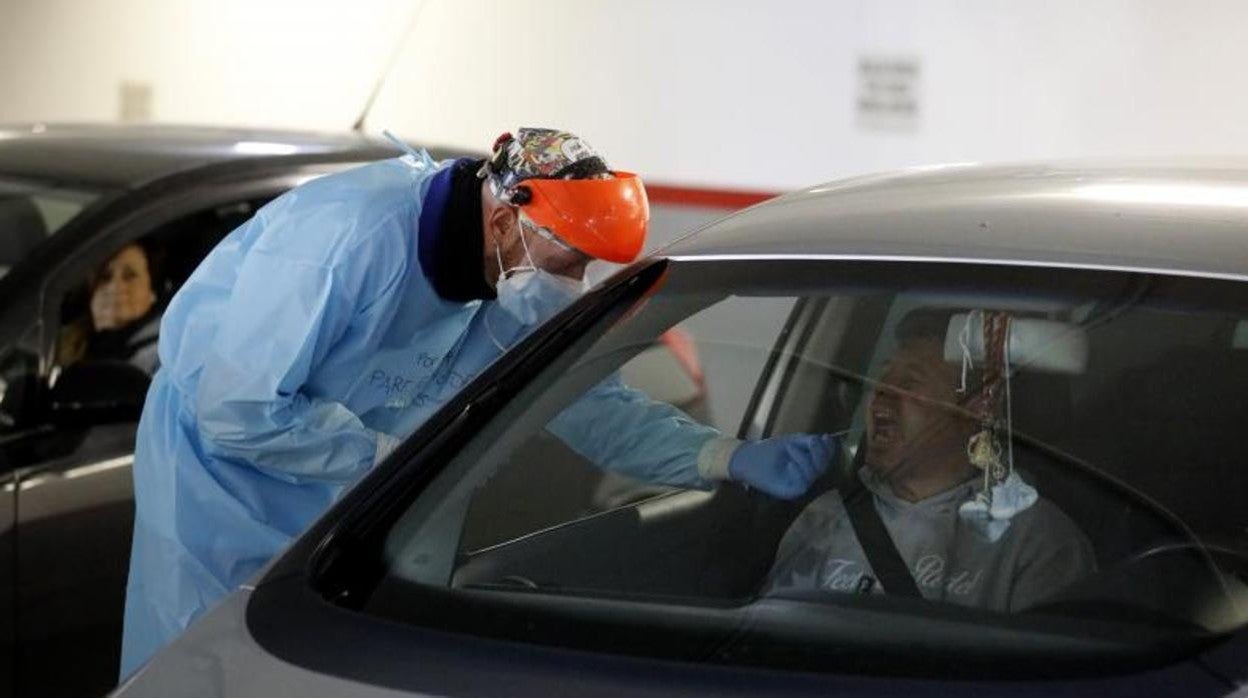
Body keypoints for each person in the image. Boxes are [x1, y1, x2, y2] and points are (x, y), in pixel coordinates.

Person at [120, 128, 832, 675]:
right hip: (216, 486)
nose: (573, 284)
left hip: (340, 492)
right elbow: (238, 408)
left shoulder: (510, 273)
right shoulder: (347, 241)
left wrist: (723, 455)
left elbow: (587, 405)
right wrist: (387, 463)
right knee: (207, 663)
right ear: (505, 220)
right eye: (570, 263)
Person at [764, 313, 1095, 612]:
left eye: (910, 382)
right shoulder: (826, 517)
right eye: (882, 376)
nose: (881, 391)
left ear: (977, 408)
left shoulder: (1038, 542)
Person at [57, 242, 163, 373]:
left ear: (152, 292)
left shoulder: (165, 354)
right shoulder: (61, 350)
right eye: (105, 277)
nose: (115, 287)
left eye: (130, 276)